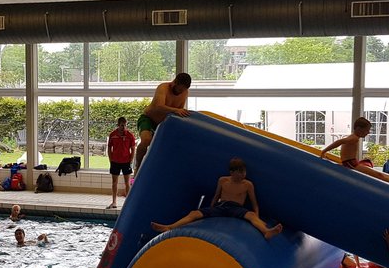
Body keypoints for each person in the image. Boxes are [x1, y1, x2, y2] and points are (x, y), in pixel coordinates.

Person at [151, 158, 283, 239]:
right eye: (240, 172)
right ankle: (170, 227)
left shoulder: (248, 184)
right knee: (194, 213)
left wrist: (257, 216)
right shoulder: (223, 180)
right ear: (232, 172)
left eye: (244, 172)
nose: (243, 174)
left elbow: (255, 204)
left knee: (252, 216)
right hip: (221, 206)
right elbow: (216, 196)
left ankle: (266, 231)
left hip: (237, 208)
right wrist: (210, 210)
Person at [321, 117, 389, 191]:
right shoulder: (353, 138)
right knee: (379, 175)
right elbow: (339, 142)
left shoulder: (354, 137)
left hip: (352, 163)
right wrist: (324, 151)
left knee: (380, 174)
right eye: (366, 130)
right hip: (351, 164)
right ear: (359, 129)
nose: (368, 133)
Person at [136, 72, 191, 173]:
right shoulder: (163, 88)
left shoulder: (185, 92)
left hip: (162, 124)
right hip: (148, 119)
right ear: (175, 82)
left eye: (183, 90)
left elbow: (180, 111)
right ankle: (137, 167)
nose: (180, 92)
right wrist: (175, 110)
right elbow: (158, 106)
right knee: (146, 140)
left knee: (169, 146)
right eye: (179, 89)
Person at [107, 116, 136, 209]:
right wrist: (111, 160)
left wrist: (131, 160)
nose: (124, 127)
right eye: (122, 125)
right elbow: (109, 148)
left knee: (127, 182)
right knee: (114, 182)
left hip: (126, 162)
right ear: (118, 125)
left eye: (125, 125)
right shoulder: (113, 135)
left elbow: (133, 149)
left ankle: (127, 203)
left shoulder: (130, 135)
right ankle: (114, 202)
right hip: (115, 161)